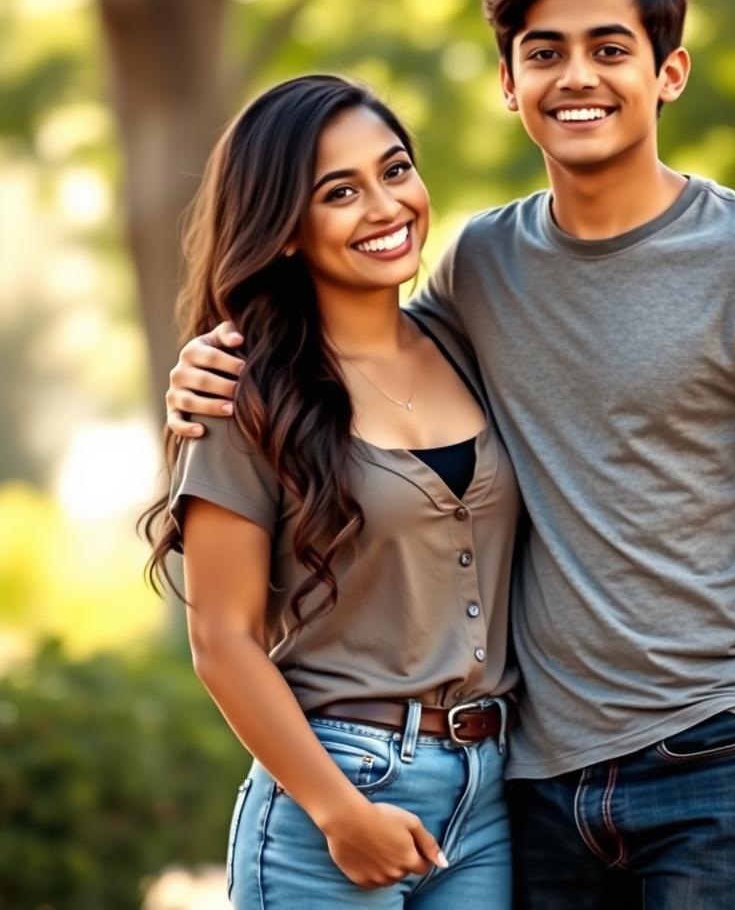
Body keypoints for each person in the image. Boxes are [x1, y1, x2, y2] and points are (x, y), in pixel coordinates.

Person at [164, 0, 735, 910]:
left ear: (668, 73)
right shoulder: (478, 268)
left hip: (712, 752)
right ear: (508, 84)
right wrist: (210, 359)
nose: (575, 77)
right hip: (533, 777)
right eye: (544, 53)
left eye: (609, 49)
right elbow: (348, 365)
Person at [143, 74, 525, 908]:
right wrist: (338, 810)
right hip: (337, 791)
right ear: (283, 231)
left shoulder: (472, 345)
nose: (385, 207)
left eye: (394, 171)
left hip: (492, 796)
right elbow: (222, 639)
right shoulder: (247, 393)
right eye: (339, 193)